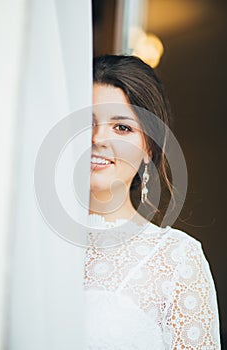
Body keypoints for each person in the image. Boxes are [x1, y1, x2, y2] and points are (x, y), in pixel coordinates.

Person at [84, 55, 221, 349]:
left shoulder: (177, 258)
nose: (98, 138)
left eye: (122, 128)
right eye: (87, 121)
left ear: (149, 147)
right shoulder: (24, 241)